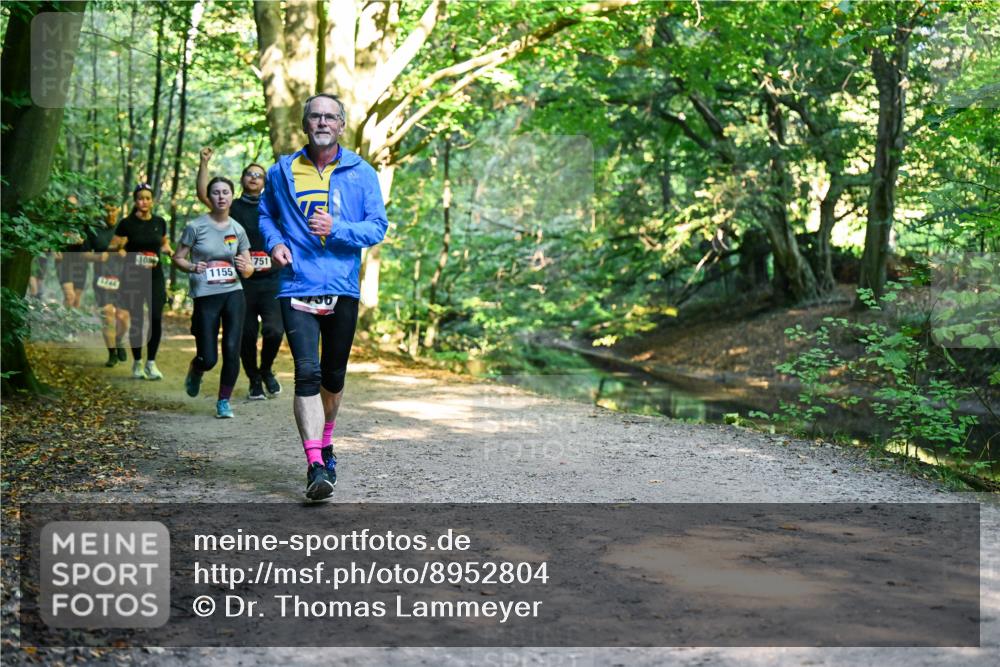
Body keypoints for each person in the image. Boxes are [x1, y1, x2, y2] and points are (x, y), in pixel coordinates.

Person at [258, 93, 388, 500]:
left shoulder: (360, 172)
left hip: (342, 285)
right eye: (315, 116)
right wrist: (275, 242)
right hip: (297, 282)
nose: (322, 123)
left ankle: (326, 441)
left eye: (330, 117)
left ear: (341, 125)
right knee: (307, 373)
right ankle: (315, 464)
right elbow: (266, 214)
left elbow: (377, 228)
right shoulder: (282, 171)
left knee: (333, 377)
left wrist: (338, 228)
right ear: (304, 123)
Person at [197, 149, 284, 401]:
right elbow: (204, 194)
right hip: (241, 283)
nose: (254, 177)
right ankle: (253, 379)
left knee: (274, 331)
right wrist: (204, 163)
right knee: (246, 334)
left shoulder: (275, 207)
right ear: (243, 179)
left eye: (259, 175)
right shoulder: (232, 207)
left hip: (271, 280)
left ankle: (266, 370)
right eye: (249, 174)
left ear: (265, 182)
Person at [174, 176, 253, 419]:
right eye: (216, 192)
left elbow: (248, 267)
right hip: (206, 295)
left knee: (232, 349)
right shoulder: (195, 226)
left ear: (231, 196)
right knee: (208, 357)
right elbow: (178, 258)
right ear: (209, 197)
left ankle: (223, 402)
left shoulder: (237, 229)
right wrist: (191, 267)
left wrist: (246, 268)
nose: (221, 196)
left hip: (233, 293)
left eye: (225, 192)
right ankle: (197, 368)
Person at [108, 183, 172, 380]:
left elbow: (163, 242)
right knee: (136, 318)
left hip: (155, 275)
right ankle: (137, 363)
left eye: (147, 198)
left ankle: (151, 363)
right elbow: (112, 246)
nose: (143, 202)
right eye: (140, 198)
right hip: (134, 277)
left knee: (155, 318)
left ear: (152, 201)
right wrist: (119, 250)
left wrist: (170, 251)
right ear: (135, 202)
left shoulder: (160, 222)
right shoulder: (126, 223)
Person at [85, 197, 128, 366]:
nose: (110, 213)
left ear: (118, 210)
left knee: (123, 317)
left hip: (124, 279)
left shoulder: (125, 228)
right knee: (107, 316)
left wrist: (126, 252)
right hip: (102, 279)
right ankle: (112, 354)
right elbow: (82, 254)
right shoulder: (94, 229)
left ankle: (119, 340)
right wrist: (97, 256)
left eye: (113, 209)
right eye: (106, 210)